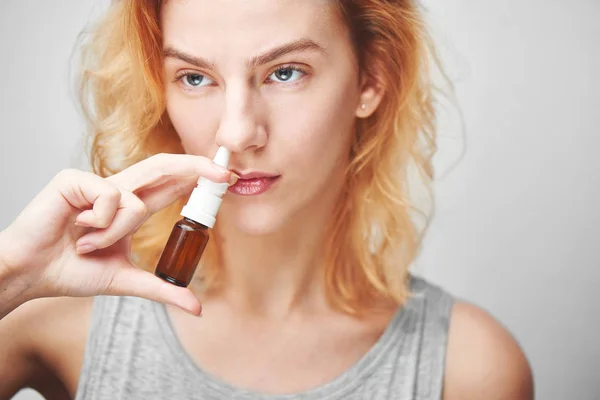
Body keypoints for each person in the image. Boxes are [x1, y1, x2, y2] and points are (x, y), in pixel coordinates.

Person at [0, 0, 534, 399]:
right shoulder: (55, 319)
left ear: (372, 79)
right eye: (194, 77)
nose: (236, 132)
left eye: (285, 72)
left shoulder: (467, 367)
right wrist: (11, 272)